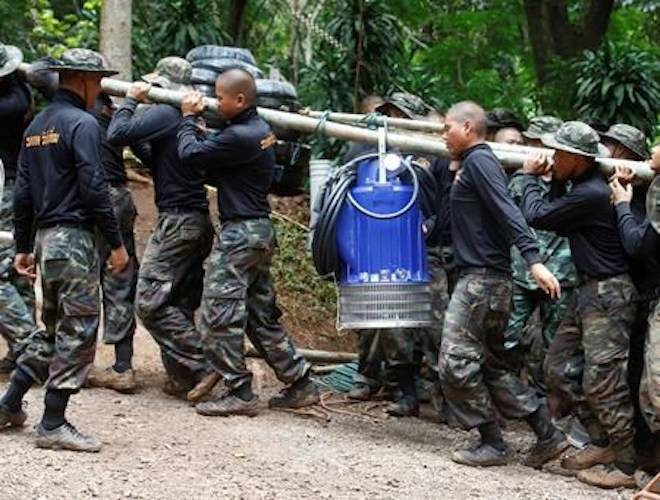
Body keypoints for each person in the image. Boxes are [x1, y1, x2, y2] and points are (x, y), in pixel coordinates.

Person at [0, 49, 129, 452]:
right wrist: (117, 244)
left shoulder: (36, 125)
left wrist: (23, 246)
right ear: (86, 80)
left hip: (45, 241)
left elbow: (22, 191)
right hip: (75, 242)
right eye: (99, 81)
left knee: (53, 329)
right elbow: (94, 187)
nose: (101, 88)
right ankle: (53, 421)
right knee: (79, 329)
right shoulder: (83, 123)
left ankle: (8, 403)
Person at [176, 68, 319, 416]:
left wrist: (187, 119)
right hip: (258, 231)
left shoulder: (239, 135)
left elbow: (190, 155)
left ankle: (239, 390)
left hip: (241, 234)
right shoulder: (260, 130)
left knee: (218, 312)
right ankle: (300, 382)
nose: (215, 102)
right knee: (259, 314)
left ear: (239, 100)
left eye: (220, 97)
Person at [438, 101, 565, 469]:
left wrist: (534, 260)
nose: (443, 135)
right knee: (492, 367)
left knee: (455, 363)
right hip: (486, 280)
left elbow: (507, 211)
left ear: (467, 127)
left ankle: (492, 441)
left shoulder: (480, 161)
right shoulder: (473, 163)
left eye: (447, 128)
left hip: (482, 281)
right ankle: (547, 435)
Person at [521, 121, 639, 488]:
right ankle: (601, 439)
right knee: (557, 367)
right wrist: (554, 179)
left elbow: (537, 216)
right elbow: (555, 217)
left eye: (559, 153)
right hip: (588, 290)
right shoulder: (579, 187)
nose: (553, 157)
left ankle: (625, 462)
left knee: (603, 379)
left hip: (610, 293)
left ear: (578, 158)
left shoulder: (590, 193)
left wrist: (529, 179)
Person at [107, 57, 215, 399]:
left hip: (179, 221)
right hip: (196, 219)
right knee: (180, 299)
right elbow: (154, 158)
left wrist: (130, 102)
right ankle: (184, 377)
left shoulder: (168, 112)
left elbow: (116, 134)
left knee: (149, 302)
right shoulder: (184, 118)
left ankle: (204, 363)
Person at [505, 116, 577, 398]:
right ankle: (509, 398)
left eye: (539, 142)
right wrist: (527, 174)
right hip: (522, 272)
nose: (533, 147)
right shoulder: (520, 177)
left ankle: (546, 401)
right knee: (508, 338)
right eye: (531, 141)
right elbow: (508, 212)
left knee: (553, 343)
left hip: (561, 274)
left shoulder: (572, 182)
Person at [84, 93, 140, 393]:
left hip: (96, 196)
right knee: (119, 277)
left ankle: (80, 363)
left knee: (87, 281)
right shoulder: (108, 115)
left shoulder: (81, 112)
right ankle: (123, 364)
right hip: (120, 196)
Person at [0, 43, 36, 375]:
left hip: (7, 190)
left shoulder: (12, 102)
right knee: (16, 271)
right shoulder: (19, 91)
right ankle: (26, 354)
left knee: (3, 273)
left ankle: (28, 343)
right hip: (18, 186)